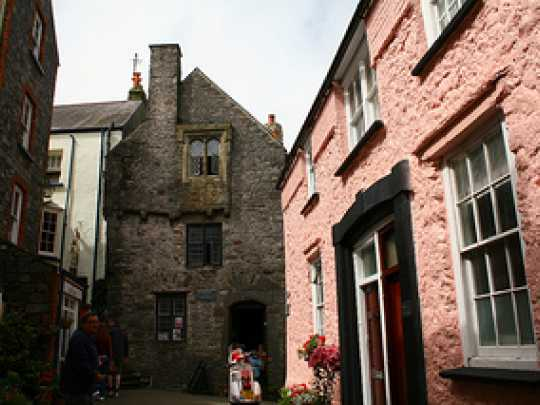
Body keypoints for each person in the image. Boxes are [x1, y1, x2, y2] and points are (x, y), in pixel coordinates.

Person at [62, 312, 104, 405]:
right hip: (77, 389)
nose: (95, 325)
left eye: (97, 322)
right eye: (91, 322)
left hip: (85, 388)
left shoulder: (88, 337)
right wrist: (95, 374)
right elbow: (81, 363)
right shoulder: (79, 338)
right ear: (84, 324)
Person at [108, 318, 128, 398]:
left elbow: (108, 344)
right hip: (120, 355)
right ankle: (116, 391)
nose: (109, 323)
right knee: (118, 373)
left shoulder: (110, 332)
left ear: (113, 323)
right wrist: (126, 356)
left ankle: (110, 390)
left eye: (110, 322)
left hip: (111, 354)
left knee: (110, 373)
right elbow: (126, 345)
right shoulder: (123, 333)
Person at [95, 319, 113, 400]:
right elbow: (110, 349)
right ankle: (102, 394)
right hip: (105, 357)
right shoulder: (107, 336)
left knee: (98, 375)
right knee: (103, 376)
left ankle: (98, 392)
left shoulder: (96, 336)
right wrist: (110, 358)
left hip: (98, 357)